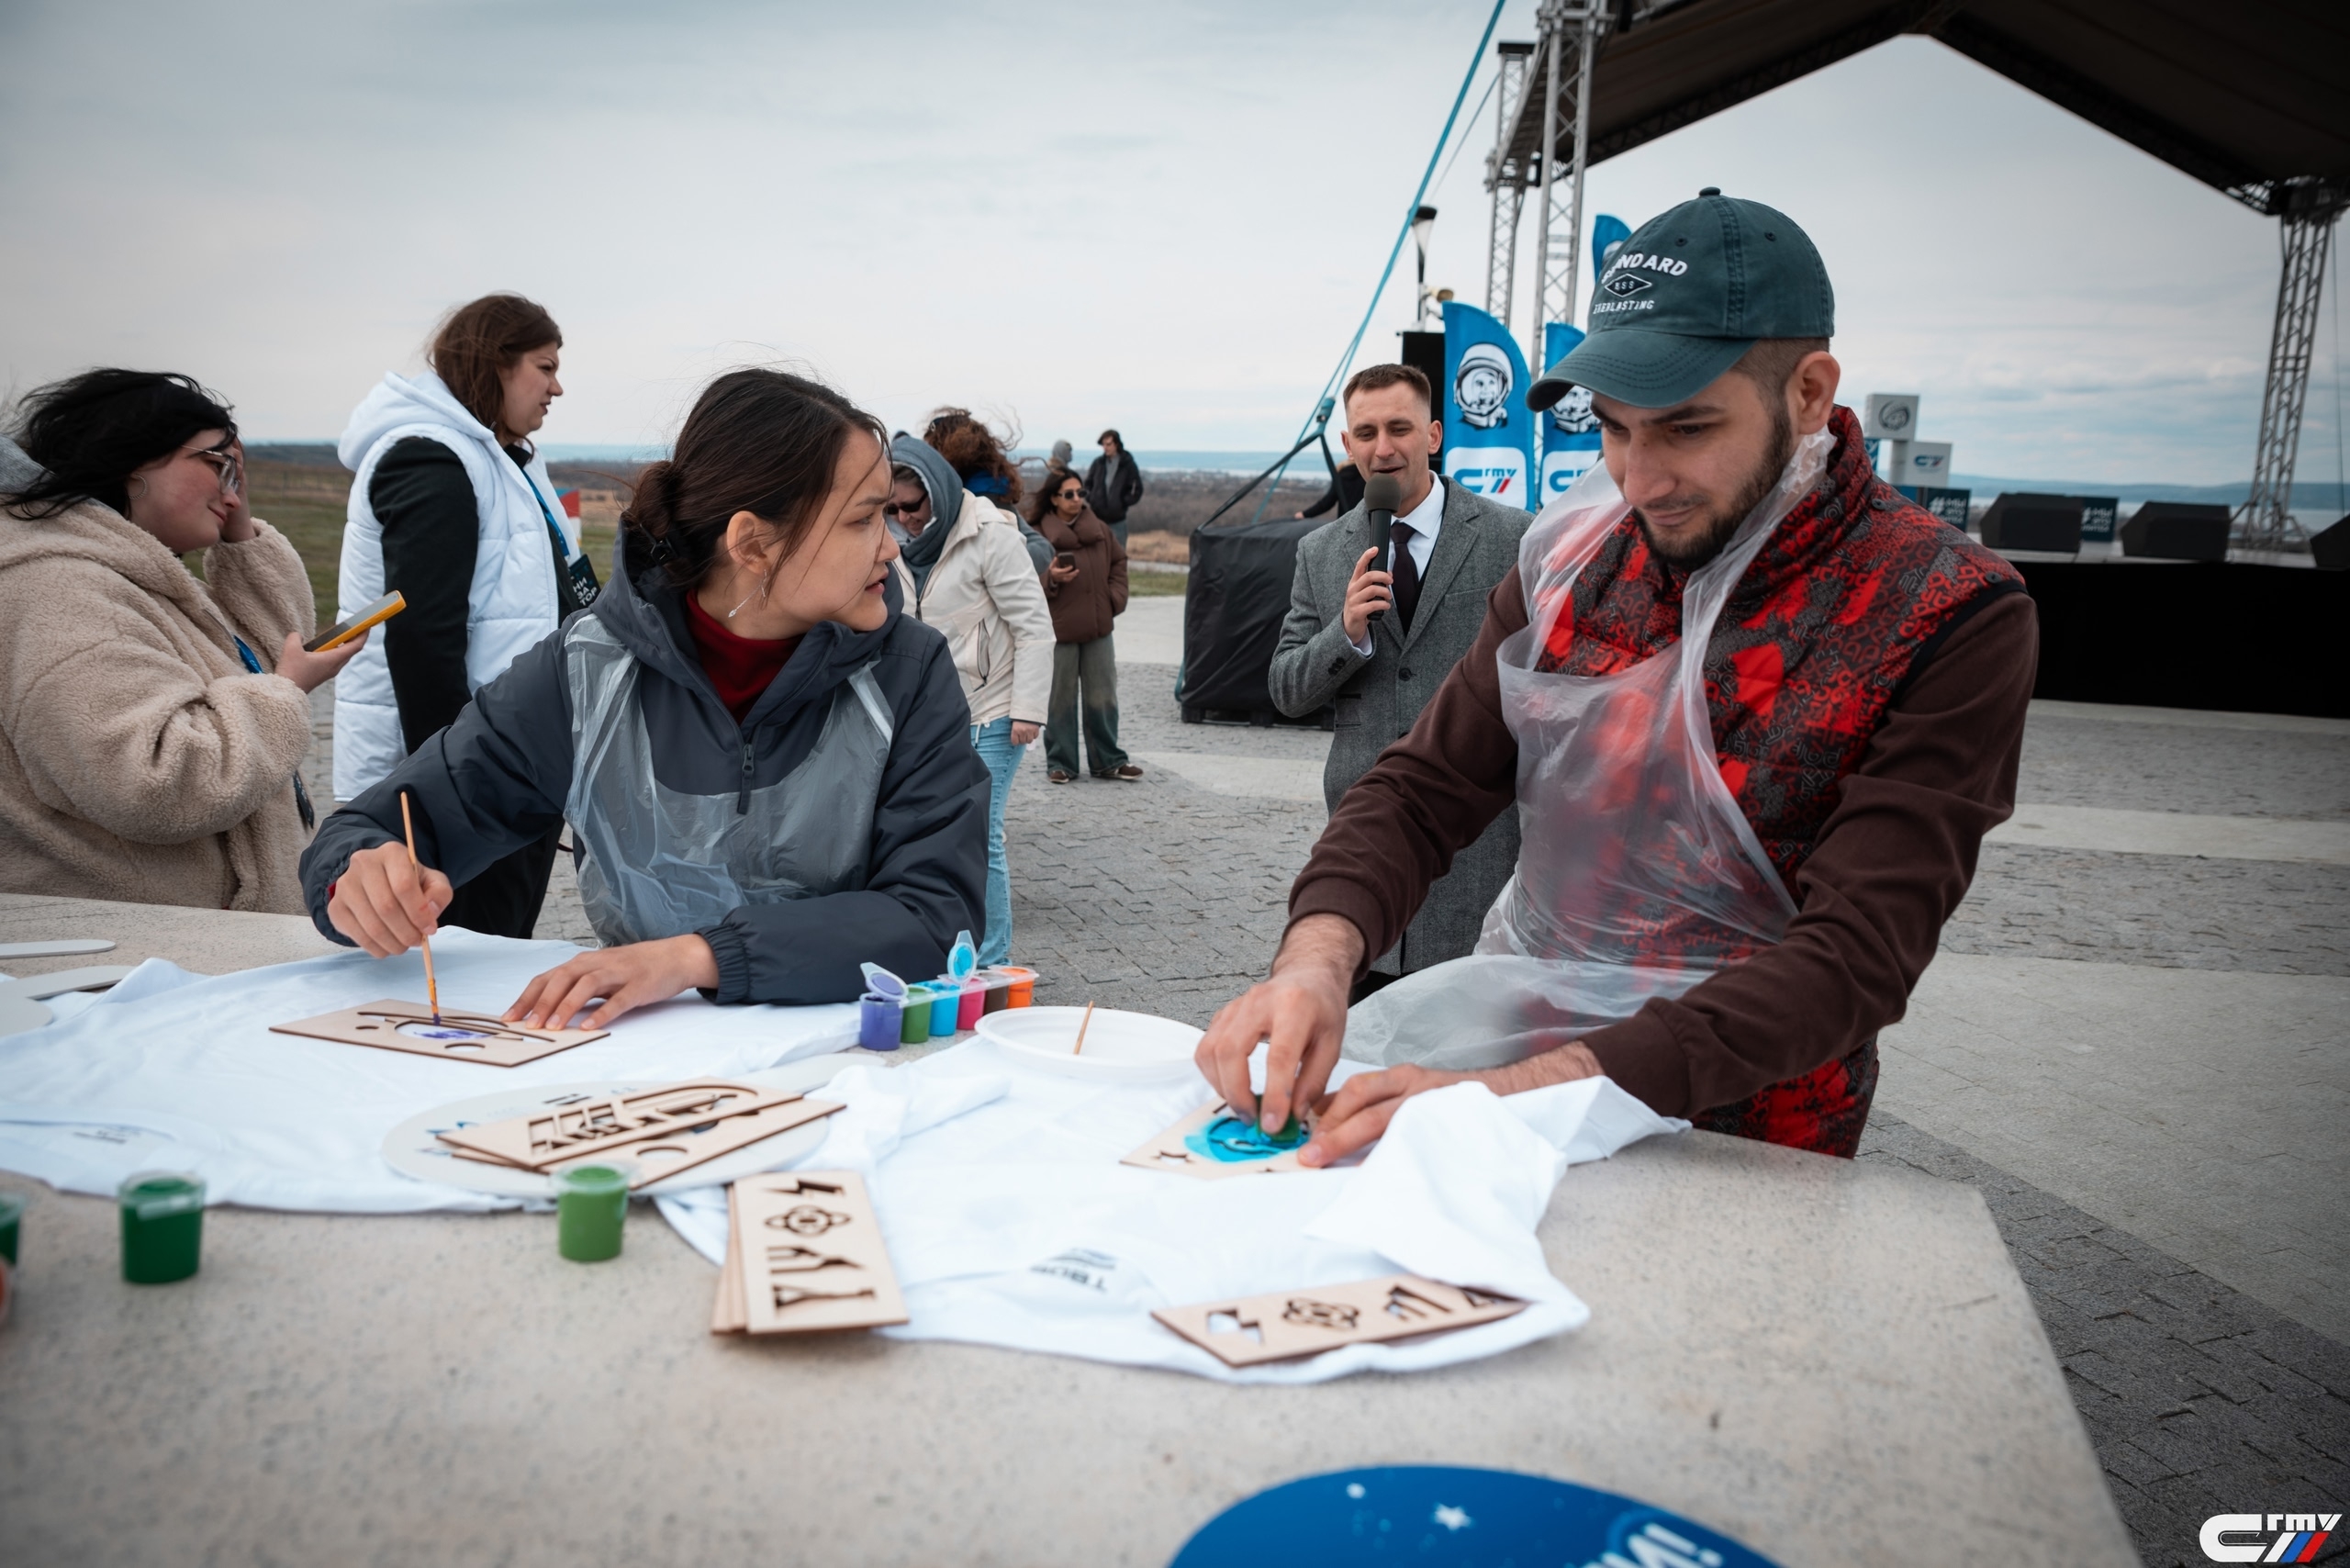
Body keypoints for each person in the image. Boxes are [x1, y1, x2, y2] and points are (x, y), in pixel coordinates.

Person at [1198, 190, 2034, 1170]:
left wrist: (1525, 1091)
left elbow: (1855, 954)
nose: (1638, 480)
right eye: (1613, 429)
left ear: (1808, 393)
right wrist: (1316, 959)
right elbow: (1423, 786)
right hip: (1508, 1065)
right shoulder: (1572, 557)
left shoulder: (1944, 606)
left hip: (1746, 1133)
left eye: (1686, 428)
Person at [299, 369, 989, 1026]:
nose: (892, 549)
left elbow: (936, 916)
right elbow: (375, 826)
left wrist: (699, 957)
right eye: (864, 520)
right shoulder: (585, 671)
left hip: (851, 1066)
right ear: (753, 544)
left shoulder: (908, 672)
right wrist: (358, 876)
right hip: (638, 1066)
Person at [0, 371, 363, 913]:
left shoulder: (126, 581)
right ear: (133, 459)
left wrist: (240, 531)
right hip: (135, 952)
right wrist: (285, 691)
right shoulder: (62, 591)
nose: (231, 490)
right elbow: (154, 783)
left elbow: (259, 665)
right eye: (217, 464)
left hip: (180, 942)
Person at [331, 293, 598, 940]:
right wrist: (460, 789)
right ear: (494, 364)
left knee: (497, 950)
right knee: (466, 962)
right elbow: (423, 642)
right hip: (468, 783)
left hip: (508, 765)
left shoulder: (506, 460)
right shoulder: (432, 459)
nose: (557, 387)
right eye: (544, 367)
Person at [1266, 364, 1528, 998]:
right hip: (1366, 848)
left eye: (1399, 428)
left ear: (1433, 435)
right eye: (1366, 433)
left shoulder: (1514, 537)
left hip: (1477, 854)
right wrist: (1345, 634)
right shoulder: (1321, 551)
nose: (1383, 448)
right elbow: (1287, 689)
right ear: (1348, 445)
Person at [887, 435, 1054, 966]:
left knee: (981, 832)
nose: (904, 519)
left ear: (935, 491)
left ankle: (991, 960)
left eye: (911, 506)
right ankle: (945, 946)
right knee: (933, 833)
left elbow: (1034, 627)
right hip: (933, 715)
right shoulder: (889, 544)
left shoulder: (991, 535)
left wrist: (1027, 711)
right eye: (891, 509)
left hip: (994, 711)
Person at [1028, 470, 1141, 784]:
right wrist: (1050, 578)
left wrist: (1113, 599)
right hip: (1059, 632)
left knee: (1104, 697)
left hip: (1098, 628)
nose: (1077, 499)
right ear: (1054, 499)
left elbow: (1119, 562)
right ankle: (1061, 762)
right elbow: (1021, 580)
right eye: (1069, 494)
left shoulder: (1100, 529)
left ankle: (1109, 760)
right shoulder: (1037, 534)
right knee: (1060, 700)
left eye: (1081, 493)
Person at [1082, 429, 1145, 544]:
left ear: (1116, 444)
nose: (1105, 448)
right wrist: (1092, 498)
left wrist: (1122, 502)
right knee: (1097, 552)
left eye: (1108, 444)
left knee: (1118, 553)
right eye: (1103, 445)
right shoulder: (1098, 463)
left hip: (1117, 521)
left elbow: (1136, 489)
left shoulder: (1128, 464)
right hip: (1097, 518)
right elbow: (1087, 485)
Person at [1296, 459, 1365, 521]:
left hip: (1345, 522)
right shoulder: (1365, 476)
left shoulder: (1340, 477)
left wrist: (1305, 514)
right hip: (1364, 521)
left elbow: (1327, 502)